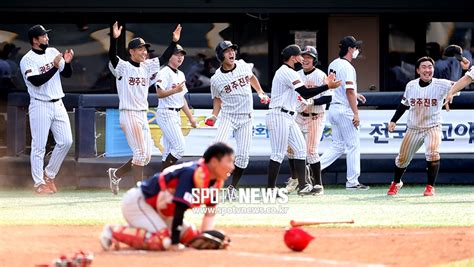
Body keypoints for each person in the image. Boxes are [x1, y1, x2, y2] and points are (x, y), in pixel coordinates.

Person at [99, 142, 235, 251]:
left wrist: (206, 235)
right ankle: (113, 232)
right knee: (164, 241)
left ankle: (143, 228)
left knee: (192, 236)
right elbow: (179, 209)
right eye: (228, 161)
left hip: (161, 210)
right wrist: (175, 243)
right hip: (139, 203)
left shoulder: (215, 181)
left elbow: (209, 214)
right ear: (213, 162)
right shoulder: (192, 173)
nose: (232, 167)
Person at [107, 21, 182, 195]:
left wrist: (173, 41)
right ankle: (139, 192)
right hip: (129, 113)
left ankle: (116, 174)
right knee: (140, 154)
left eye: (145, 49)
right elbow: (112, 56)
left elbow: (164, 59)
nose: (144, 52)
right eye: (140, 49)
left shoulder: (147, 66)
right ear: (131, 51)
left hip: (142, 114)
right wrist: (114, 39)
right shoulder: (123, 67)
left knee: (146, 156)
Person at [266, 44, 340, 196]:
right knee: (278, 154)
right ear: (293, 58)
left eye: (307, 56)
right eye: (300, 55)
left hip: (294, 116)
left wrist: (326, 86)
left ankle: (304, 185)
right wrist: (327, 85)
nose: (303, 58)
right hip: (280, 114)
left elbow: (306, 95)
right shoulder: (287, 71)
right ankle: (271, 189)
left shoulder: (295, 72)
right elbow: (305, 93)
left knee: (301, 150)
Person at [206, 41, 270, 196]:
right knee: (217, 149)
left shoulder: (242, 65)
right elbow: (217, 99)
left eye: (233, 50)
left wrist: (260, 92)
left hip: (246, 118)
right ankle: (210, 186)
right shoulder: (216, 79)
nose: (231, 53)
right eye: (227, 51)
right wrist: (214, 115)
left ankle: (232, 188)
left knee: (243, 157)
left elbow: (251, 77)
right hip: (228, 116)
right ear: (221, 55)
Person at [386, 57, 456, 196]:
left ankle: (430, 186)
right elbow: (404, 104)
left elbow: (462, 83)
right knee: (402, 159)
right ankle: (396, 182)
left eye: (430, 67)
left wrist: (451, 91)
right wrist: (393, 120)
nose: (427, 70)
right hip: (414, 127)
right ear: (418, 70)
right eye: (424, 67)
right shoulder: (411, 85)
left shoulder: (442, 84)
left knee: (432, 153)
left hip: (433, 126)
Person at [19, 25, 74, 194]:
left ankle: (49, 174)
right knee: (39, 146)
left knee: (66, 141)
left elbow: (67, 74)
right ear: (35, 40)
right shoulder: (27, 60)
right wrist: (55, 67)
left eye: (46, 36)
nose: (47, 39)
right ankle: (39, 183)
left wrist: (67, 63)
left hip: (58, 102)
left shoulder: (52, 52)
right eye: (43, 36)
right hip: (40, 104)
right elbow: (36, 81)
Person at [318, 36, 369, 190]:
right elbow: (349, 91)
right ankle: (352, 182)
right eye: (355, 48)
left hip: (333, 107)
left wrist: (355, 93)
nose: (356, 50)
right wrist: (356, 113)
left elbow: (340, 87)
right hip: (344, 109)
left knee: (338, 145)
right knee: (353, 145)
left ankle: (312, 168)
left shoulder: (334, 63)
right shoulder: (347, 67)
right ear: (350, 49)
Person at [286, 46, 333, 195]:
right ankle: (295, 179)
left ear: (314, 60)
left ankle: (318, 185)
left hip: (315, 116)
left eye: (309, 57)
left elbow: (328, 97)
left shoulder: (320, 75)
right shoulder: (296, 74)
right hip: (299, 116)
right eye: (303, 56)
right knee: (291, 150)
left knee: (311, 151)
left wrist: (312, 102)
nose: (305, 59)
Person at [155, 44, 197, 171]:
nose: (180, 57)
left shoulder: (181, 74)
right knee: (179, 148)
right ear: (169, 56)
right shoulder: (163, 72)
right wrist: (175, 90)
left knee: (168, 151)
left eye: (182, 55)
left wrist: (191, 118)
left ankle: (162, 182)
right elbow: (159, 93)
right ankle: (163, 178)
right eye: (177, 54)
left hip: (175, 113)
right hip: (166, 113)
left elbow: (182, 98)